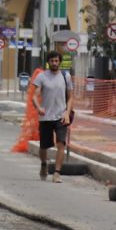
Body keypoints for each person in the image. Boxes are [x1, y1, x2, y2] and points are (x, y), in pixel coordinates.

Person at [32, 51, 74, 183]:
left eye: (56, 61)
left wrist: (67, 113)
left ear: (59, 62)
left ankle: (57, 172)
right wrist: (38, 108)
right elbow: (34, 95)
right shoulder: (42, 77)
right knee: (44, 146)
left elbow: (71, 97)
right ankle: (44, 164)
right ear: (48, 62)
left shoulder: (65, 76)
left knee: (61, 144)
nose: (54, 63)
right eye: (52, 61)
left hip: (61, 116)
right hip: (45, 117)